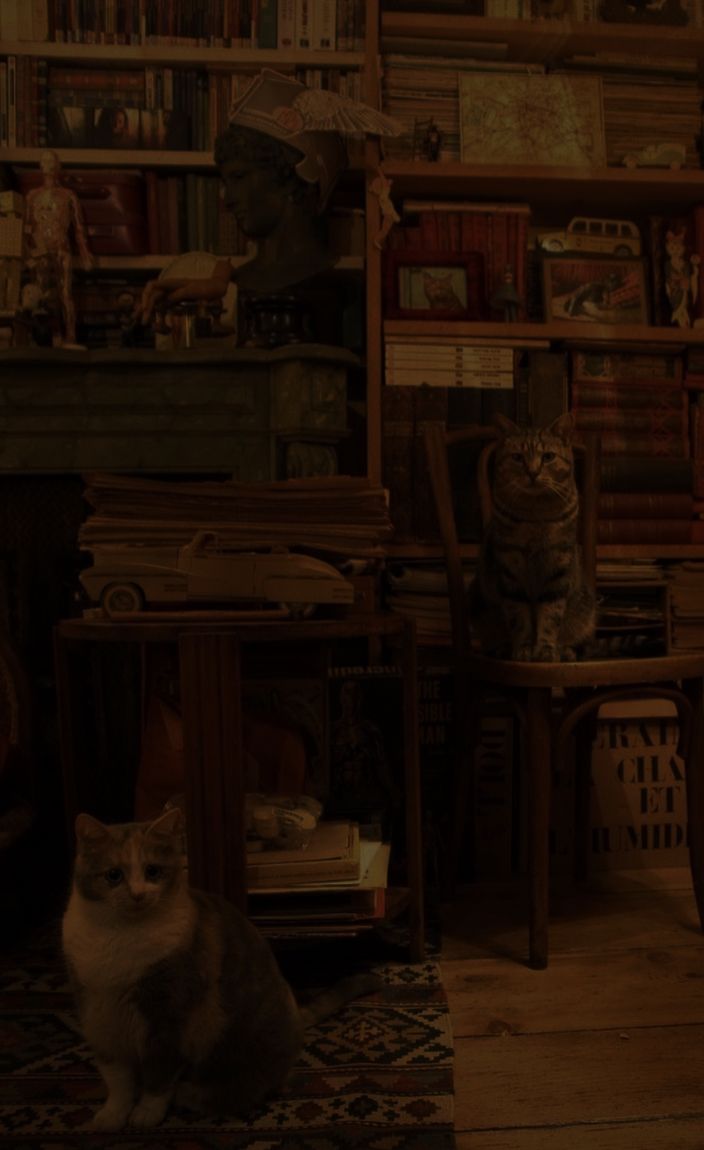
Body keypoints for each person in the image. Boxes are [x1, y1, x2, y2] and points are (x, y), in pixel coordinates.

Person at [23, 149, 93, 347]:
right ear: (40, 166)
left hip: (62, 249)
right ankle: (41, 337)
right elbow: (27, 229)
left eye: (52, 161)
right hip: (39, 253)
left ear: (58, 166)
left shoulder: (68, 195)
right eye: (45, 161)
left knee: (65, 293)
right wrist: (27, 253)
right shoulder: (32, 196)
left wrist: (85, 253)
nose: (49, 164)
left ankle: (70, 335)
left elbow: (78, 227)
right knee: (39, 296)